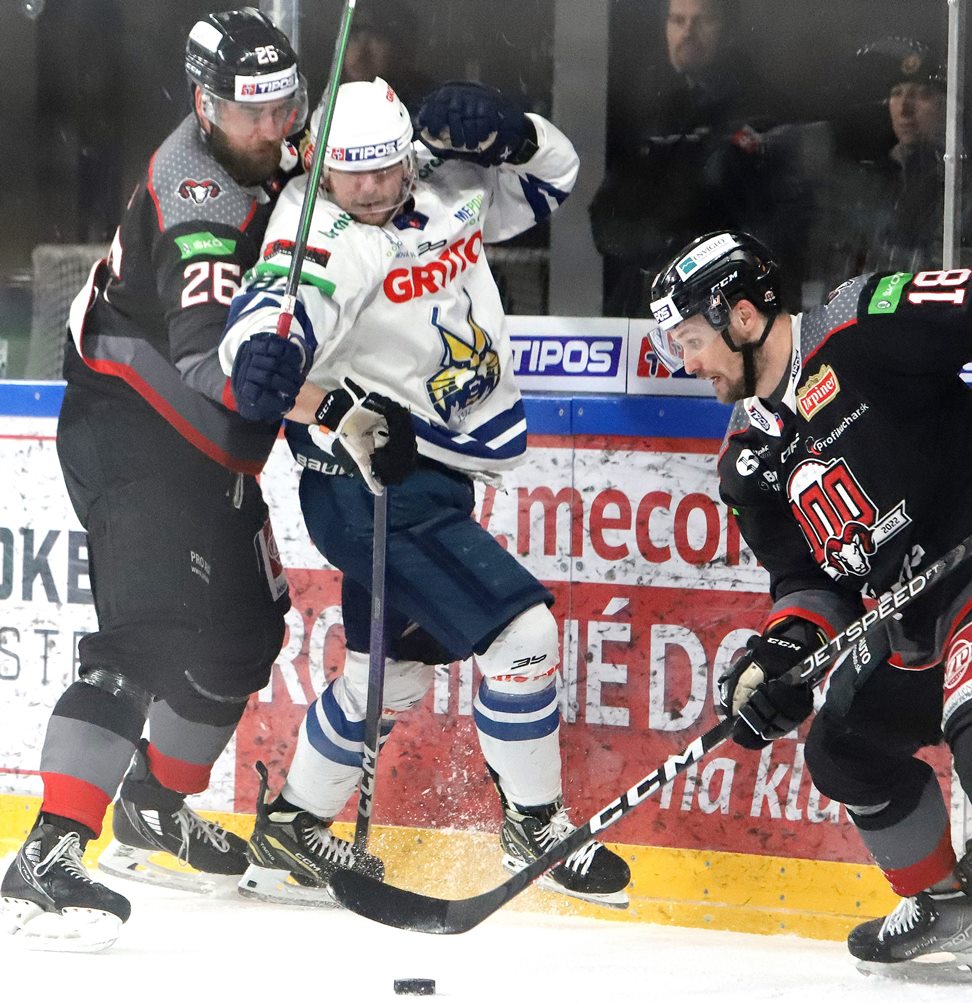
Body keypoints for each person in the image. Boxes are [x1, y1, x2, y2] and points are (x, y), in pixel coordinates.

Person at [218, 76, 632, 909]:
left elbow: (554, 179)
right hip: (368, 485)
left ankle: (293, 828)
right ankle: (537, 824)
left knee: (387, 675)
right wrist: (265, 352)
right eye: (351, 172)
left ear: (408, 156)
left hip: (432, 473)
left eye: (385, 168)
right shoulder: (316, 231)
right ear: (320, 165)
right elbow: (268, 323)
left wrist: (514, 133)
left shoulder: (445, 187)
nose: (371, 188)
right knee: (523, 636)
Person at [0, 8, 304, 952]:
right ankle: (46, 855)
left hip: (199, 440)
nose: (273, 128)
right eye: (251, 113)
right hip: (131, 426)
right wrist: (312, 401)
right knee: (142, 638)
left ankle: (152, 807)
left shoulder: (273, 145)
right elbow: (211, 363)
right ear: (205, 106)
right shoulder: (198, 197)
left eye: (285, 107)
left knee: (246, 634)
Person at [647, 230, 972, 967]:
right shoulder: (748, 461)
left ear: (742, 316)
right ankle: (947, 903)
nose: (687, 363)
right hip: (914, 614)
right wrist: (782, 656)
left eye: (691, 340)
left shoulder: (862, 325)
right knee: (842, 750)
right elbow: (808, 580)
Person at [589, 0, 792, 316]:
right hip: (650, 299)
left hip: (732, 303)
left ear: (728, 30)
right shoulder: (648, 106)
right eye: (677, 21)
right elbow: (607, 216)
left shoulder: (758, 105)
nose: (688, 33)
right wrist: (654, 245)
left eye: (702, 21)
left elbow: (765, 218)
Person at [340, 0, 436, 112]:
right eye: (355, 39)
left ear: (399, 51)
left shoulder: (426, 104)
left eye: (377, 40)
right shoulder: (328, 97)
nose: (361, 52)